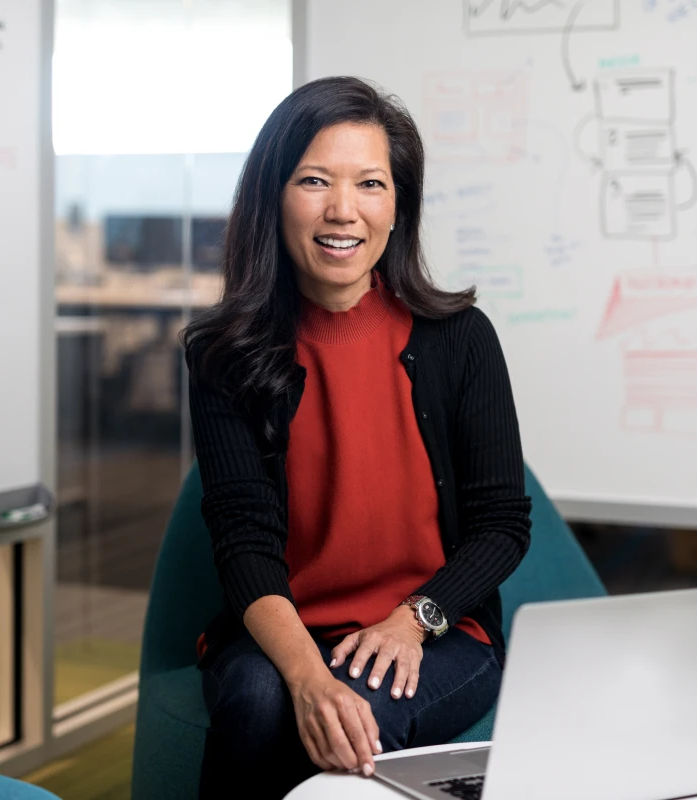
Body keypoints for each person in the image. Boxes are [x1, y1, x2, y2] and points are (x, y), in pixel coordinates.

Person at [181, 76, 532, 799]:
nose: (343, 210)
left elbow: (502, 524)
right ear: (273, 197)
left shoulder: (461, 340)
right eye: (314, 180)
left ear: (397, 205)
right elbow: (242, 538)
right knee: (259, 702)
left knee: (357, 714)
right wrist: (308, 675)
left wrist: (415, 619)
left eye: (370, 183)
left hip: (435, 630)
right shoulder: (223, 353)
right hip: (284, 627)